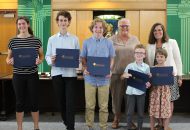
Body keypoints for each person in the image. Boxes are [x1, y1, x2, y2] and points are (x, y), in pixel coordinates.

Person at [6, 16, 44, 130]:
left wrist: (40, 60)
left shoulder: (36, 40)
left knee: (34, 102)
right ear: (17, 26)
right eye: (19, 24)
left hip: (32, 75)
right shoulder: (12, 41)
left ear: (28, 25)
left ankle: (36, 127)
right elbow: (8, 59)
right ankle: (19, 128)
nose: (21, 26)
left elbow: (41, 55)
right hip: (18, 76)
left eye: (23, 24)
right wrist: (9, 61)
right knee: (19, 103)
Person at [45, 11, 80, 130]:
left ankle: (71, 126)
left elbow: (78, 57)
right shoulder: (51, 39)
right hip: (57, 73)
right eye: (61, 20)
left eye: (65, 20)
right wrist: (52, 60)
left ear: (69, 22)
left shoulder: (75, 39)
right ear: (57, 22)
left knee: (70, 102)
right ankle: (66, 120)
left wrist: (77, 62)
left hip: (70, 75)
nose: (63, 23)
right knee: (61, 101)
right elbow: (47, 56)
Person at [80, 18, 115, 130]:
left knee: (104, 106)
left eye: (101, 27)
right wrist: (84, 68)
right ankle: (90, 126)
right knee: (90, 105)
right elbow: (83, 58)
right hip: (90, 78)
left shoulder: (109, 42)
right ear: (92, 28)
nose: (98, 29)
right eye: (96, 27)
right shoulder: (86, 42)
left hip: (104, 79)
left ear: (104, 29)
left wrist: (109, 69)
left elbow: (112, 58)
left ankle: (103, 127)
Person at [146, 23, 183, 129]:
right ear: (152, 33)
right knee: (157, 101)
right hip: (155, 78)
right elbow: (149, 62)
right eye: (155, 30)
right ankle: (159, 124)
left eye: (160, 30)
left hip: (171, 77)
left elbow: (178, 59)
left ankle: (166, 125)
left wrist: (179, 76)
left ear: (163, 31)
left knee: (169, 101)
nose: (157, 32)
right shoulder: (149, 45)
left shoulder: (172, 42)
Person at [109, 18, 140, 129]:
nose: (124, 28)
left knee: (130, 98)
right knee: (116, 98)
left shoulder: (135, 39)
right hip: (116, 73)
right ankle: (116, 118)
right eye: (122, 26)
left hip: (131, 74)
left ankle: (129, 120)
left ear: (130, 26)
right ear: (118, 26)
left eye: (126, 25)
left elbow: (141, 54)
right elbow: (107, 56)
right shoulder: (111, 39)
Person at [121, 44, 151, 130]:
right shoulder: (130, 66)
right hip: (130, 92)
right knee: (129, 112)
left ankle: (140, 128)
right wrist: (124, 75)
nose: (139, 54)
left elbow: (147, 81)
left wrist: (148, 84)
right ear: (134, 54)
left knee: (141, 113)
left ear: (144, 55)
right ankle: (129, 128)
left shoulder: (146, 67)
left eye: (141, 53)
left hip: (141, 92)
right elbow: (122, 76)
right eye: (137, 52)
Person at [149, 48, 171, 130]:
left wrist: (172, 75)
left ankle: (165, 128)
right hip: (155, 92)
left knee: (166, 111)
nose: (159, 58)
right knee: (153, 110)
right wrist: (150, 77)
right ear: (155, 58)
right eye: (157, 56)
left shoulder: (169, 69)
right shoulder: (153, 69)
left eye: (161, 56)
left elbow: (170, 81)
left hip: (165, 92)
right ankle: (152, 128)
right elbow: (150, 82)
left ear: (165, 58)